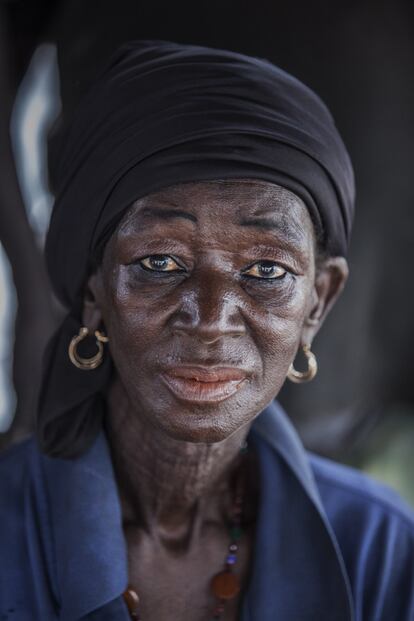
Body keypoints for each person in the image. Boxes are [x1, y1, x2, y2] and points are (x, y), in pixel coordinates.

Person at [1, 40, 413, 621]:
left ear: (318, 302)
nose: (212, 318)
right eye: (161, 264)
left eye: (266, 271)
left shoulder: (379, 548)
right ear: (93, 289)